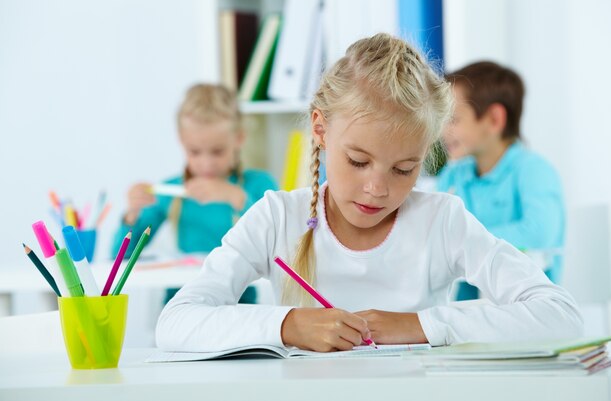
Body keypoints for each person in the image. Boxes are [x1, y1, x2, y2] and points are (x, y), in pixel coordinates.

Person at [156, 34, 582, 353]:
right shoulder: (276, 218)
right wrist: (287, 325)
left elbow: (561, 317)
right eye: (358, 162)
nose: (378, 189)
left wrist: (420, 326)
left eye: (404, 169)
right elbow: (175, 322)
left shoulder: (442, 220)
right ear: (320, 130)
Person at [111, 84, 278, 303]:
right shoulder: (170, 191)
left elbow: (277, 244)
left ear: (238, 138)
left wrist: (237, 198)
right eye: (195, 152)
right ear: (182, 141)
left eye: (218, 152)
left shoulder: (259, 185)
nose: (206, 163)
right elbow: (120, 258)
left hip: (239, 307)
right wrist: (132, 214)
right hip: (181, 304)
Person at [438, 61, 565, 301]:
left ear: (494, 119)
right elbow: (435, 232)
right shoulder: (453, 175)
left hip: (526, 308)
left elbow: (540, 233)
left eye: (453, 120)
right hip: (462, 315)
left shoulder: (533, 170)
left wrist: (466, 241)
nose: (443, 130)